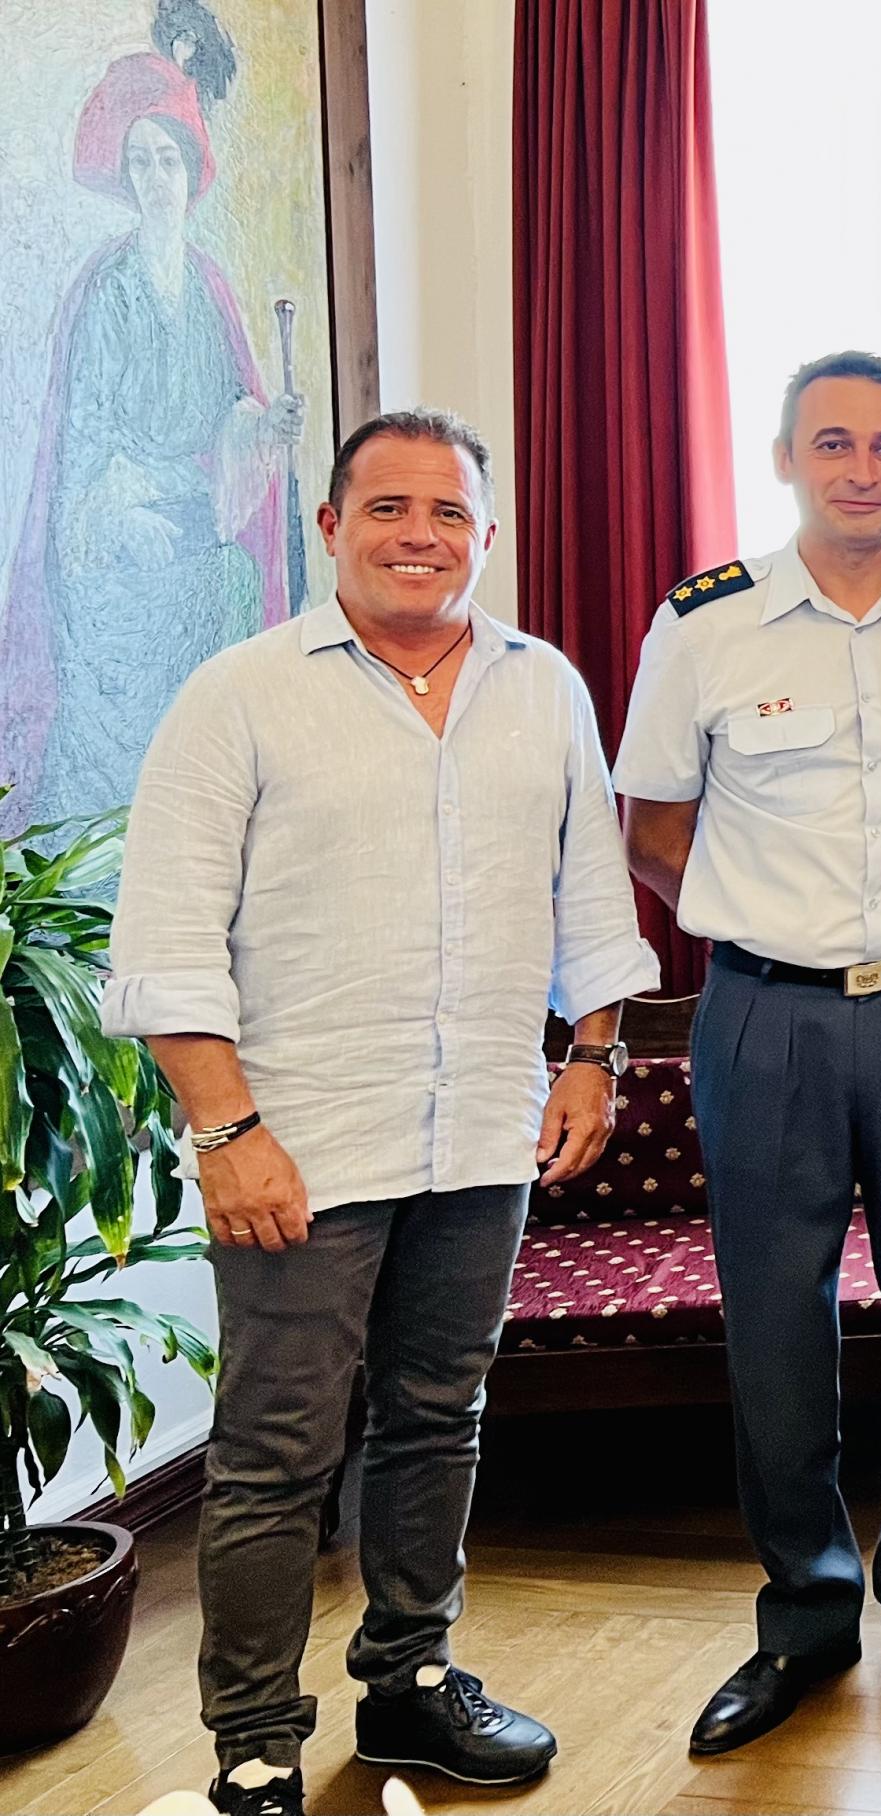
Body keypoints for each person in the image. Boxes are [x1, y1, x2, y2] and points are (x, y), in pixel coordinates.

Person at [103, 409, 655, 1816]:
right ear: (330, 527)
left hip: (480, 1126)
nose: (421, 535)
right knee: (277, 1453)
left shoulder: (543, 687)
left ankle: (409, 1681)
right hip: (297, 1144)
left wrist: (594, 1053)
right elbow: (166, 936)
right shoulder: (237, 695)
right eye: (389, 508)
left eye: (449, 512)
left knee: (438, 1417)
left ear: (488, 534)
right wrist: (227, 1133)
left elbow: (589, 894)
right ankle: (254, 1745)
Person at [614, 351, 881, 1753]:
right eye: (833, 444)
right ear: (785, 459)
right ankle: (804, 1614)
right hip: (767, 1018)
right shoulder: (706, 625)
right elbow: (654, 830)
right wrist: (782, 932)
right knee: (774, 1325)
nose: (863, 469)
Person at [2, 9, 304, 836]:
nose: (156, 176)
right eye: (140, 161)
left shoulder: (207, 286)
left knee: (232, 595)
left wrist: (262, 428)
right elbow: (83, 443)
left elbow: (228, 414)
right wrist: (119, 514)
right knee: (135, 643)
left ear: (190, 170)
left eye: (168, 159)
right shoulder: (107, 289)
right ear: (125, 175)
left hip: (194, 531)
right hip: (119, 546)